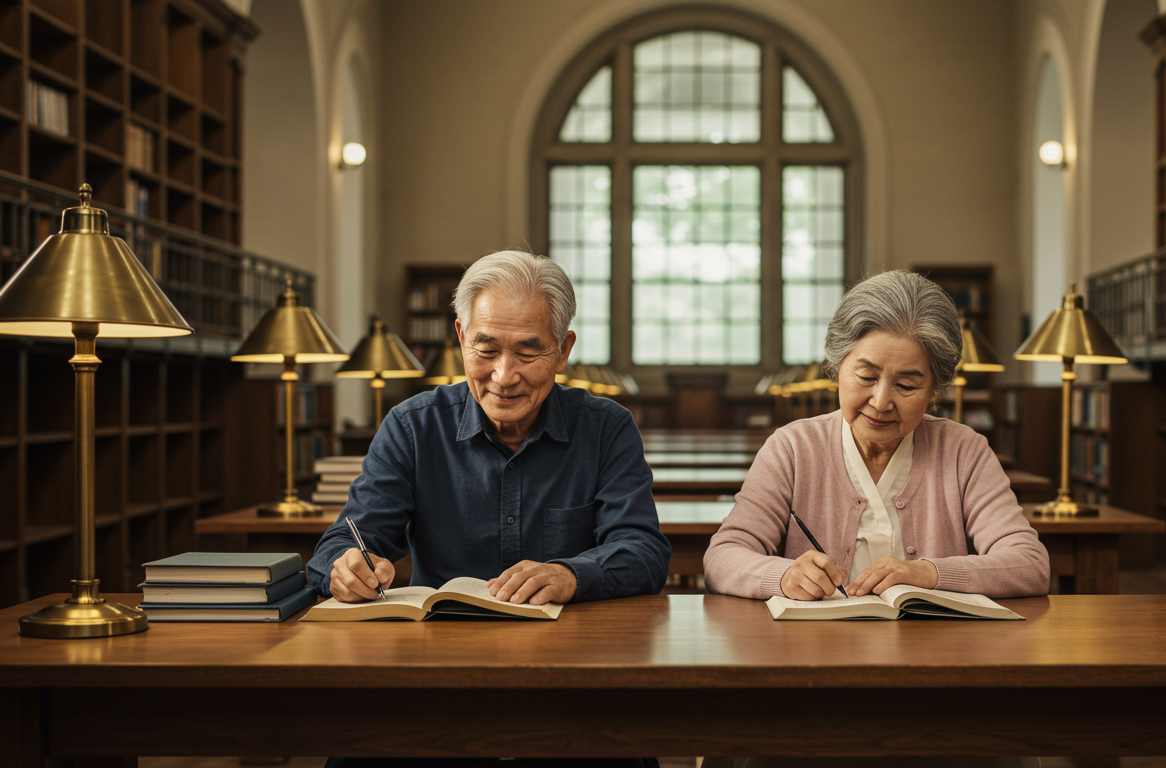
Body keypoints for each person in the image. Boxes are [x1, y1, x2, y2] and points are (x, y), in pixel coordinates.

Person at [308, 250, 669, 768]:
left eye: (528, 351)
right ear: (460, 339)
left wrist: (571, 574)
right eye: (486, 349)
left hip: (574, 675)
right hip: (435, 675)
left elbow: (645, 551)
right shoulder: (413, 426)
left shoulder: (606, 428)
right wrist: (345, 570)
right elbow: (339, 546)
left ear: (563, 350)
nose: (504, 376)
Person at [701, 271, 1047, 768]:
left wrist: (930, 574)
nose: (882, 401)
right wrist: (784, 574)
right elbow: (722, 558)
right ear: (837, 368)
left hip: (943, 685)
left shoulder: (963, 451)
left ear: (935, 389)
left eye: (908, 383)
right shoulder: (793, 448)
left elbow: (1029, 562)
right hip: (810, 680)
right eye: (866, 377)